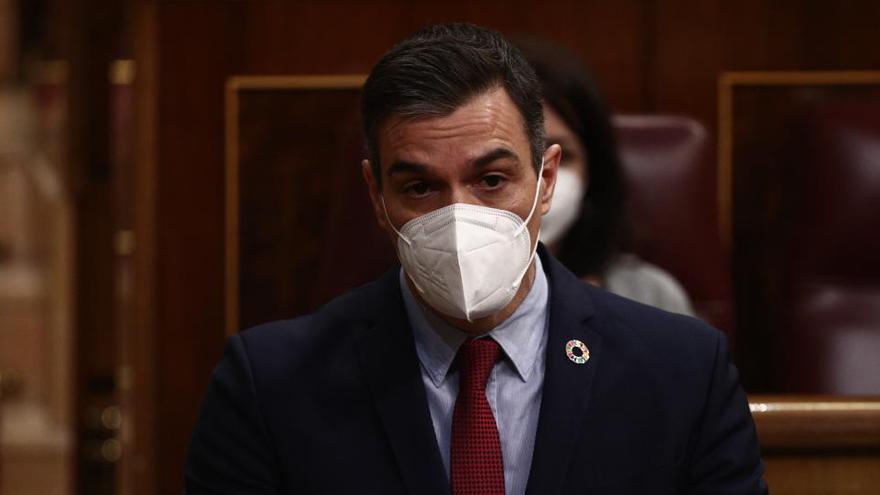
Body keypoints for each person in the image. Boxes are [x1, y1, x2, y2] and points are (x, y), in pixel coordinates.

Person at [185, 23, 767, 494]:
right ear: (376, 196)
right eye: (419, 188)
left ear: (546, 180)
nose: (458, 216)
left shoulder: (683, 371)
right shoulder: (269, 384)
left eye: (491, 179)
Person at [517, 38, 695, 316]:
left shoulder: (650, 296)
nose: (540, 180)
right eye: (504, 167)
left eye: (560, 158)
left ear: (593, 170)